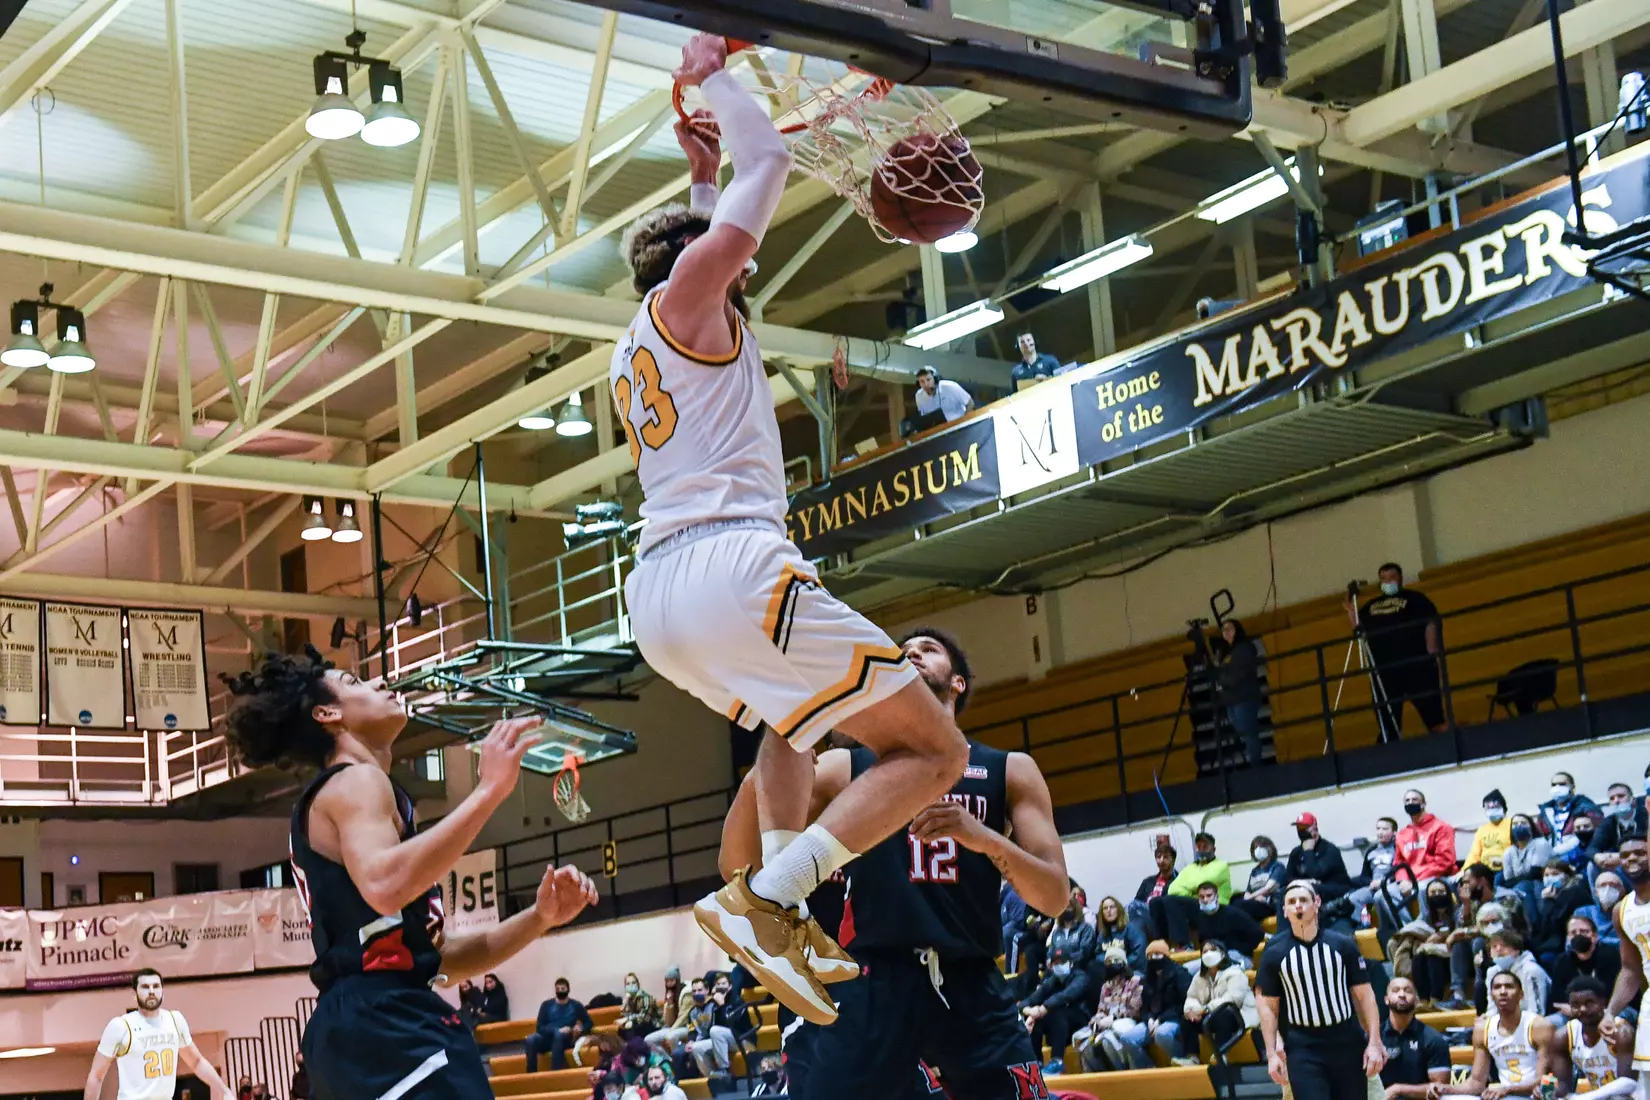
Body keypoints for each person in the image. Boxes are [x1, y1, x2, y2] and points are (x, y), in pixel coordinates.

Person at [619, 36, 972, 1025]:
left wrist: (697, 164)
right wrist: (716, 75)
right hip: (728, 567)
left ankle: (781, 898)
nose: (746, 247)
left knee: (794, 715)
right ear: (702, 258)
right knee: (933, 751)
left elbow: (710, 217)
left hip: (661, 596)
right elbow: (767, 165)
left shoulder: (639, 337)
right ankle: (770, 892)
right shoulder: (690, 300)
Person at [221, 648, 597, 1100]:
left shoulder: (366, 795)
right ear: (328, 713)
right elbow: (384, 886)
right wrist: (489, 791)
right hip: (383, 1020)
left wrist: (539, 918)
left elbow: (443, 962)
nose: (379, 683)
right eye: (355, 682)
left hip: (369, 1019)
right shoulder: (355, 782)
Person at [717, 626, 1070, 1099]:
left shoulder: (1010, 769)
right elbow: (734, 863)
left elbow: (1053, 896)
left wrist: (982, 837)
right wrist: (768, 763)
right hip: (876, 981)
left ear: (958, 682)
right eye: (903, 654)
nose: (913, 656)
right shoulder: (849, 767)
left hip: (971, 978)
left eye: (929, 650)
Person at [1256, 881, 1386, 1100]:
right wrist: (1271, 1053)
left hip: (1346, 1040)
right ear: (1285, 912)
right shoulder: (1274, 954)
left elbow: (1365, 996)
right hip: (1302, 1046)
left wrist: (1374, 1041)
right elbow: (1268, 1007)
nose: (1298, 906)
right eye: (1291, 902)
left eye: (1303, 900)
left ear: (1316, 904)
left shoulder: (1342, 945)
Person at [83, 969, 232, 1100]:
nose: (152, 991)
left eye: (156, 986)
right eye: (145, 987)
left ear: (162, 991)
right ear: (135, 994)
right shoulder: (120, 1026)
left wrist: (224, 1091)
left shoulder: (175, 1019)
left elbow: (197, 1062)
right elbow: (96, 1075)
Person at [1343, 563, 1444, 738]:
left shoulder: (1415, 598)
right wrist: (1351, 613)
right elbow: (1359, 630)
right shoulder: (1371, 606)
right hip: (1385, 671)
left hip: (1416, 666)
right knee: (1388, 724)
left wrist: (1431, 653)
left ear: (1400, 579)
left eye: (1392, 577)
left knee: (1434, 716)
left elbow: (1431, 623)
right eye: (1383, 578)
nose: (1388, 581)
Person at [1436, 968, 1555, 1099]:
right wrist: (1446, 1088)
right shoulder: (1483, 1029)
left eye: (1509, 987)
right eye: (1497, 987)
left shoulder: (1539, 1026)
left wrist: (1508, 1089)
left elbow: (1545, 1079)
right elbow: (1476, 1082)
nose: (1503, 991)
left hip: (1533, 1095)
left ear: (1521, 995)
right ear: (1492, 995)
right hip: (1504, 1095)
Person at [1602, 834, 1650, 1086]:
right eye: (1625, 855)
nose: (1632, 858)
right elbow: (1631, 969)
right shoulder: (1622, 910)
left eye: (1640, 852)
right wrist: (1610, 1012)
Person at [1552, 976, 1637, 1099]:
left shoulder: (1621, 1031)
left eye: (1589, 1003)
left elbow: (1628, 1084)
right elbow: (1563, 1084)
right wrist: (1549, 1091)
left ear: (1603, 1003)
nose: (1582, 1009)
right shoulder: (1564, 1036)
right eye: (1575, 1005)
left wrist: (1585, 1098)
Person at [1153, 832, 1233, 949]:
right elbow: (1173, 889)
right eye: (1198, 846)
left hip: (1215, 907)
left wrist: (1190, 888)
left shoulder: (1221, 866)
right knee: (1156, 903)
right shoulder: (1190, 868)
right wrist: (1194, 892)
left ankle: (1183, 946)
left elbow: (1205, 883)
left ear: (1213, 848)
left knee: (1172, 901)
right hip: (1197, 906)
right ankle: (1163, 944)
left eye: (1205, 846)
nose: (1201, 850)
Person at [1184, 939, 1260, 1062]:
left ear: (1223, 953)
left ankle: (1221, 1055)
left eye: (1212, 950)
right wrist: (1191, 1010)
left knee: (1225, 1013)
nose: (1208, 954)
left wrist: (1206, 1009)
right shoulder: (1200, 977)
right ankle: (1192, 1058)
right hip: (1211, 1015)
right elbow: (1192, 997)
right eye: (1205, 951)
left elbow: (1234, 999)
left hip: (1240, 1015)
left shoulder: (1235, 972)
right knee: (1187, 1019)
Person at [1077, 944, 1149, 1071]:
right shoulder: (1106, 987)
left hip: (1127, 1022)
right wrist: (1097, 1021)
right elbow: (1101, 1010)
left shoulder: (1135, 982)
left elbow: (1135, 1010)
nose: (1113, 964)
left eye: (1116, 961)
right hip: (1106, 1025)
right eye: (1109, 961)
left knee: (1107, 1041)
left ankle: (1123, 1070)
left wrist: (1113, 1018)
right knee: (1084, 1044)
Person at [1020, 946, 1091, 1075]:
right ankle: (1036, 1062)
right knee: (1038, 1020)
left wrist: (1044, 1007)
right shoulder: (1052, 980)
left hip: (1081, 1018)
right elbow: (1029, 1000)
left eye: (1062, 962)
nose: (1059, 966)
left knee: (1057, 1013)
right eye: (1056, 963)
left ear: (1070, 963)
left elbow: (1066, 995)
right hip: (1059, 1026)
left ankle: (1056, 1062)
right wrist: (1029, 1011)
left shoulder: (1080, 977)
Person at [1378, 977, 1451, 1100]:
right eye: (1396, 990)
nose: (1402, 995)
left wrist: (1398, 1089)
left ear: (1417, 1001)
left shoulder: (1433, 1039)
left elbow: (1440, 1088)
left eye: (1408, 991)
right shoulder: (1373, 1039)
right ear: (1386, 1000)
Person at [1214, 619, 1266, 766]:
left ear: (1237, 630)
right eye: (1224, 630)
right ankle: (1253, 762)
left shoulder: (1244, 648)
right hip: (1230, 699)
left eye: (1230, 628)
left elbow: (1238, 673)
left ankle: (1256, 765)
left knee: (1248, 732)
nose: (1227, 632)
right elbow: (1220, 673)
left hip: (1244, 697)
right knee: (1242, 732)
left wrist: (1224, 682)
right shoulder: (1224, 652)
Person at [1142, 939, 1194, 1064]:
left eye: (1157, 954)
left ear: (1165, 956)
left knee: (1162, 1034)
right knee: (1128, 1038)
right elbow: (1144, 1005)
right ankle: (1147, 1071)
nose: (1153, 958)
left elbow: (1184, 1003)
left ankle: (1182, 1060)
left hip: (1175, 1017)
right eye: (1150, 956)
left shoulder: (1180, 974)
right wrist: (1149, 1018)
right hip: (1152, 1021)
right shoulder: (1148, 978)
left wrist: (1160, 1020)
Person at [526, 978, 595, 1073]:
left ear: (568, 990)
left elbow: (589, 1022)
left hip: (566, 1039)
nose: (560, 991)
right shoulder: (546, 1005)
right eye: (558, 989)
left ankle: (556, 1073)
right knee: (530, 1039)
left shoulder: (576, 1005)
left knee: (559, 1036)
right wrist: (556, 1030)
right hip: (547, 1038)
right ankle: (531, 1074)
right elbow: (539, 1027)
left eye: (563, 989)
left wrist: (580, 1028)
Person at [1534, 862, 1594, 970]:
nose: (1550, 878)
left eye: (1555, 874)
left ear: (1567, 875)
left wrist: (1549, 901)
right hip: (1554, 942)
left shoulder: (1574, 892)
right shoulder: (1551, 894)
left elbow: (1557, 924)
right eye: (1546, 875)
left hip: (1569, 942)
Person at [1285, 814, 1353, 907]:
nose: (1301, 831)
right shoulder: (1296, 852)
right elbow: (1288, 877)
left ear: (1315, 829)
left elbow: (1316, 873)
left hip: (1334, 888)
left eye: (1304, 827)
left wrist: (1308, 851)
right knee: (1283, 893)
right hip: (1308, 888)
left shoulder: (1329, 849)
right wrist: (1303, 883)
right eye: (1299, 828)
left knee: (1309, 890)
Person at [1188, 881, 1266, 961]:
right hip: (1213, 956)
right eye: (1202, 897)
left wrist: (1243, 949)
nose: (1205, 899)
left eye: (1209, 896)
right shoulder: (1200, 918)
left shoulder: (1232, 913)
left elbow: (1258, 933)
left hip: (1239, 955)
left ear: (1217, 896)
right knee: (1187, 968)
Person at [1502, 815, 1554, 927]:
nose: (1519, 826)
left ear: (1532, 827)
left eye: (1523, 823)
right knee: (1515, 890)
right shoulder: (1508, 852)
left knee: (1523, 887)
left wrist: (1518, 880)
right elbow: (1508, 881)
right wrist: (1521, 879)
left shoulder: (1540, 843)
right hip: (1520, 888)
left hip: (1541, 883)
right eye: (1515, 824)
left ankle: (1537, 927)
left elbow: (1536, 873)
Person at [1350, 817, 1400, 932]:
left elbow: (1401, 870)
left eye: (1385, 829)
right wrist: (1370, 882)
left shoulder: (1398, 848)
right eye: (1378, 828)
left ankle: (1394, 928)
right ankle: (1364, 927)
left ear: (1394, 832)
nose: (1380, 832)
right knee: (1354, 898)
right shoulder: (1371, 851)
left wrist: (1383, 882)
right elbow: (1364, 876)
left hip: (1390, 884)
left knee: (1380, 896)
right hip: (1373, 886)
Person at [1486, 930, 1550, 1018]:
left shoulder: (1531, 970)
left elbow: (1537, 1012)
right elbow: (1492, 1009)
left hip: (1545, 1018)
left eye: (1504, 946)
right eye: (1494, 946)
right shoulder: (1492, 972)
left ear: (1517, 950)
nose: (1498, 949)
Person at [1235, 837, 1288, 923]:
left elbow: (1269, 888)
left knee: (1243, 907)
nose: (1258, 850)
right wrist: (1252, 898)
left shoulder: (1277, 867)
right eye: (1256, 848)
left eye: (1262, 847)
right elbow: (1247, 892)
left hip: (1270, 905)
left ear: (1270, 849)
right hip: (1256, 902)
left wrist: (1251, 897)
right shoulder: (1255, 871)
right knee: (1235, 903)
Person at [1048, 884, 1099, 970]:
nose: (1066, 910)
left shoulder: (1085, 929)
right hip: (1056, 970)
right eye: (1064, 908)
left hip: (1077, 969)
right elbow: (1050, 952)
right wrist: (1050, 961)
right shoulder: (1057, 932)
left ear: (1076, 909)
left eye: (1069, 907)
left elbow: (1085, 951)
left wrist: (1066, 958)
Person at [1131, 846, 1179, 932]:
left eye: (1166, 857)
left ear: (1173, 859)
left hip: (1162, 916)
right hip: (1144, 916)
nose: (1161, 860)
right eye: (1158, 857)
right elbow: (1137, 901)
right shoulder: (1148, 881)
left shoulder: (1178, 880)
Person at [1465, 790, 1513, 875]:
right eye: (1489, 808)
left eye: (1495, 807)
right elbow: (1474, 854)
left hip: (1507, 868)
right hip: (1485, 871)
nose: (1492, 810)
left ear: (1503, 808)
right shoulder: (1482, 830)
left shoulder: (1512, 824)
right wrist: (1465, 871)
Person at [1096, 895, 1148, 971]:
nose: (1109, 910)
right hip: (1110, 970)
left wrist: (1121, 963)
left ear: (1119, 910)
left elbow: (1139, 953)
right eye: (1105, 908)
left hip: (1131, 970)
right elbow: (1098, 954)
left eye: (1112, 907)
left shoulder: (1131, 929)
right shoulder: (1102, 934)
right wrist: (1109, 961)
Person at [618, 973, 661, 1041]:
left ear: (638, 984)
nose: (631, 985)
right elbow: (624, 1016)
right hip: (639, 1025)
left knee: (633, 1028)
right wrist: (625, 1003)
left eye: (633, 983)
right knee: (621, 1030)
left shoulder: (645, 997)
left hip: (652, 1025)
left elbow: (645, 1017)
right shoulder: (629, 999)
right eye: (628, 984)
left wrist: (629, 1020)